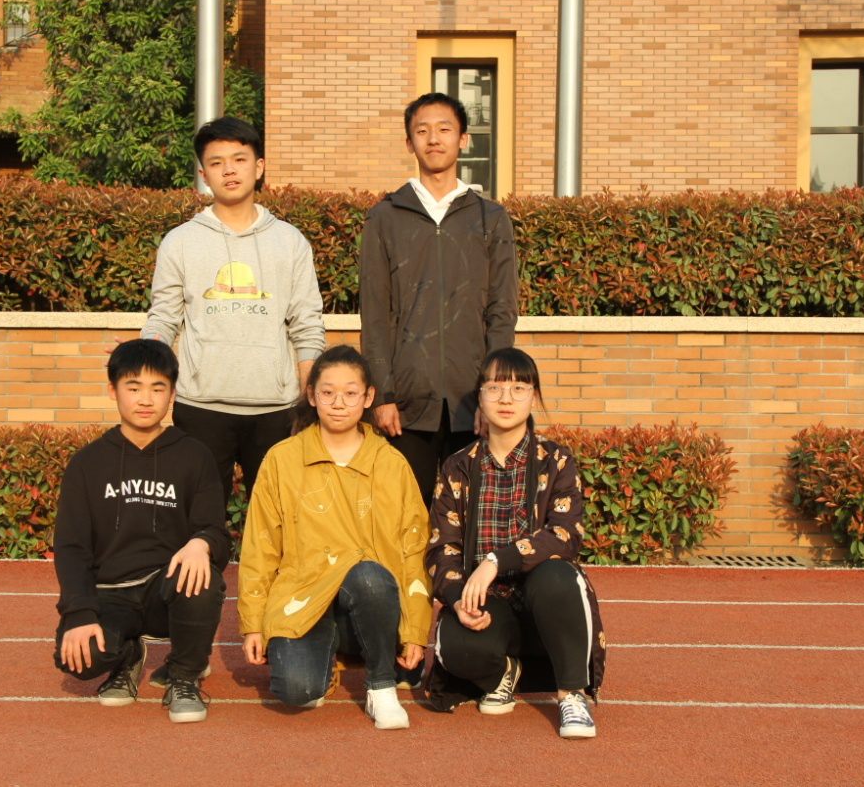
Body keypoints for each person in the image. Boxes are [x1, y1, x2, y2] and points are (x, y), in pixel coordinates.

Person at [237, 345, 432, 729]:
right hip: (303, 598)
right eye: (328, 393)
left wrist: (415, 631)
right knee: (297, 691)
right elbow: (261, 546)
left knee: (370, 576)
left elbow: (414, 549)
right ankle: (324, 659)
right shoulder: (282, 459)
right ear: (312, 395)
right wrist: (253, 624)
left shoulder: (390, 463)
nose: (339, 403)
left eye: (350, 393)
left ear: (369, 397)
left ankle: (381, 685)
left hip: (370, 599)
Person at [424, 347, 606, 739]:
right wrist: (457, 597)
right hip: (489, 604)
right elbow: (442, 548)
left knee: (557, 576)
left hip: (543, 601)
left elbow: (565, 535)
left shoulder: (556, 460)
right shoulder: (458, 466)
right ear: (480, 397)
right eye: (495, 387)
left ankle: (571, 694)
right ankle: (503, 672)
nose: (506, 398)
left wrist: (495, 560)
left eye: (519, 388)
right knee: (456, 647)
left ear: (534, 396)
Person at [142, 115, 325, 503]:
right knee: (198, 515)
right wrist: (145, 360)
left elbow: (307, 324)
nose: (229, 170)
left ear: (258, 167)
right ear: (203, 174)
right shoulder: (180, 242)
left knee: (280, 516)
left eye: (239, 159)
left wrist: (307, 399)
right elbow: (164, 317)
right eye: (217, 162)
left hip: (276, 409)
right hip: (200, 405)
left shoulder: (290, 242)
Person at [52, 339, 230, 723]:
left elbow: (216, 532)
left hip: (165, 590)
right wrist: (79, 613)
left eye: (157, 388)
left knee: (203, 576)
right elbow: (71, 547)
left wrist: (201, 543)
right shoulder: (87, 463)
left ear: (173, 394)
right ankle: (127, 655)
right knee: (79, 659)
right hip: (110, 594)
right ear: (113, 390)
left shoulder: (194, 456)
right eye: (133, 388)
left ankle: (183, 676)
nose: (145, 399)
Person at [358, 91, 518, 510]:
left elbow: (502, 311)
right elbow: (374, 313)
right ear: (409, 142)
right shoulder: (384, 216)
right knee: (404, 516)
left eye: (444, 129)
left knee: (473, 516)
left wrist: (493, 395)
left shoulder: (489, 217)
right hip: (406, 403)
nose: (433, 139)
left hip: (472, 399)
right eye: (422, 131)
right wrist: (383, 394)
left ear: (463, 139)